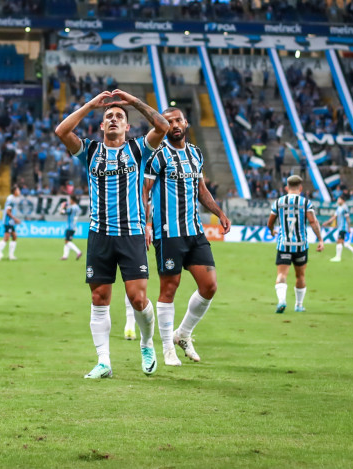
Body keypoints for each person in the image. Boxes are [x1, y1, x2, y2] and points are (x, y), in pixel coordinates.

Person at [55, 88, 169, 379]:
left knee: (138, 299)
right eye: (109, 117)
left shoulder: (138, 149)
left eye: (119, 116)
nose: (114, 119)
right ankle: (104, 361)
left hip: (130, 234)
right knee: (99, 297)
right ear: (102, 125)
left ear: (128, 126)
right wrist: (91, 104)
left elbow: (163, 126)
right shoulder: (90, 150)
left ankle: (146, 344)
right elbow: (61, 130)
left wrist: (134, 102)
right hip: (99, 235)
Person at [143, 107, 232, 366]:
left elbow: (201, 189)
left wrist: (219, 212)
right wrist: (146, 225)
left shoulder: (195, 153)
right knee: (169, 289)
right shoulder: (158, 156)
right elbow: (145, 191)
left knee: (210, 286)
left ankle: (183, 334)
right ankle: (167, 349)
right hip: (168, 233)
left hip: (194, 231)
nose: (174, 125)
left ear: (186, 122)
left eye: (178, 120)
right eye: (168, 121)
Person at [267, 175, 324, 314]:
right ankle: (298, 305)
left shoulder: (279, 202)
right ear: (300, 188)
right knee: (300, 276)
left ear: (286, 187)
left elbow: (270, 221)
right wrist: (320, 239)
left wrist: (271, 230)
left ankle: (281, 301)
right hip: (301, 245)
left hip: (284, 244)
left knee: (281, 275)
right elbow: (313, 222)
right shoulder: (306, 203)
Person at [323, 197, 353, 262]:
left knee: (339, 241)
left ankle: (338, 257)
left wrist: (349, 228)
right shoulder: (339, 208)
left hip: (343, 227)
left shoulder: (345, 208)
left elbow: (347, 218)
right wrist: (327, 222)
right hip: (340, 227)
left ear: (343, 200)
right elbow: (334, 217)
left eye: (339, 199)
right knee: (341, 242)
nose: (337, 200)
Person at [0, 186, 22, 261]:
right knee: (6, 238)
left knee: (14, 236)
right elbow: (7, 211)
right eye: (18, 190)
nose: (19, 191)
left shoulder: (13, 198)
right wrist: (15, 219)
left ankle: (11, 255)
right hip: (8, 221)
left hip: (11, 222)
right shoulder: (11, 199)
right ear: (15, 191)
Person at [60, 195, 82, 260]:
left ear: (72, 200)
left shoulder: (72, 208)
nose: (69, 201)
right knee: (67, 241)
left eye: (70, 200)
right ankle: (65, 256)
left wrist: (62, 207)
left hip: (70, 226)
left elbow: (63, 212)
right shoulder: (78, 207)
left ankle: (78, 252)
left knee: (67, 241)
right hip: (74, 226)